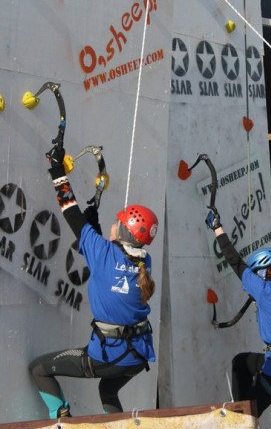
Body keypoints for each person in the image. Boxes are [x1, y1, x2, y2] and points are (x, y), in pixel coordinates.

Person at [29, 146, 158, 419]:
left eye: (117, 222)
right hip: (137, 357)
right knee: (108, 393)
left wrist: (56, 171)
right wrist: (94, 223)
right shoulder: (144, 263)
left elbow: (69, 209)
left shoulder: (104, 253)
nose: (114, 224)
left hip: (107, 356)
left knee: (39, 369)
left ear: (122, 231)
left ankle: (62, 420)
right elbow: (108, 260)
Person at [205, 208, 271, 418]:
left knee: (246, 417)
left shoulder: (263, 290)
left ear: (262, 271)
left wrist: (217, 228)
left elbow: (235, 262)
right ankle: (244, 408)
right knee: (242, 363)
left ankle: (241, 414)